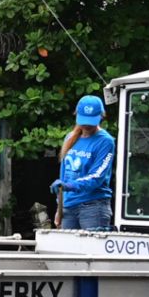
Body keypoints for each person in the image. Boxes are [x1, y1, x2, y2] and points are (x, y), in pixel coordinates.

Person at [52, 95, 114, 230]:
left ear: (101, 116)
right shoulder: (70, 138)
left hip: (93, 207)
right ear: (76, 115)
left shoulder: (105, 141)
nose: (86, 125)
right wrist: (59, 207)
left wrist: (69, 185)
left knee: (91, 250)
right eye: (84, 121)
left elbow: (96, 177)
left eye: (90, 121)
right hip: (68, 206)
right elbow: (64, 175)